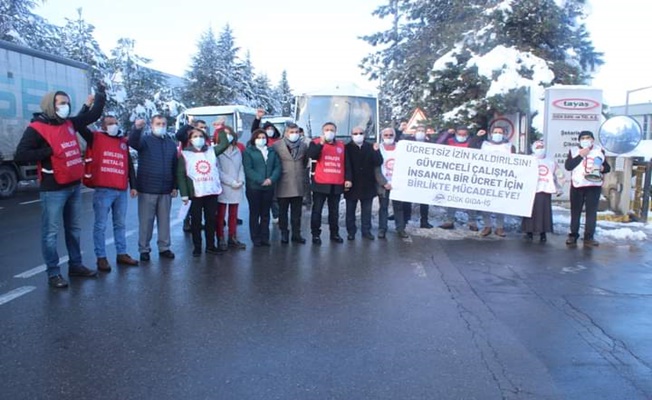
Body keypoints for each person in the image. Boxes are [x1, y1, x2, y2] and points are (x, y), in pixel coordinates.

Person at [14, 82, 106, 288]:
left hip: (73, 185)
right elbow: (21, 154)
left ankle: (76, 265)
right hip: (53, 188)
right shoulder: (36, 128)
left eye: (67, 103)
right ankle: (53, 272)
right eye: (61, 103)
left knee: (73, 229)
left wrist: (101, 93)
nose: (66, 106)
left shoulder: (69, 123)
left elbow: (91, 116)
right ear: (50, 105)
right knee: (51, 233)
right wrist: (49, 151)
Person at [82, 115, 139, 272]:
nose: (113, 126)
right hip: (103, 189)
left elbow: (129, 165)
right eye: (109, 124)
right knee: (100, 225)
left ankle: (121, 253)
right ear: (103, 126)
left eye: (115, 123)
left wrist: (133, 185)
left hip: (121, 189)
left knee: (120, 224)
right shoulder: (95, 138)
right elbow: (80, 125)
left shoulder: (122, 141)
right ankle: (101, 257)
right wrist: (90, 107)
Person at [128, 115, 178, 262]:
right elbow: (132, 142)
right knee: (146, 222)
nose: (161, 126)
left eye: (163, 124)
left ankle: (164, 247)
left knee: (164, 221)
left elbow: (175, 165)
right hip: (147, 188)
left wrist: (175, 186)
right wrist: (137, 128)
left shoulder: (170, 144)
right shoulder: (145, 140)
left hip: (165, 189)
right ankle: (144, 249)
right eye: (158, 123)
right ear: (151, 125)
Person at [177, 127, 228, 257]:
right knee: (196, 221)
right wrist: (184, 194)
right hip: (195, 193)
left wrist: (220, 129)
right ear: (190, 140)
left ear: (205, 139)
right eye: (195, 136)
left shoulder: (211, 151)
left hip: (210, 190)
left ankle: (211, 245)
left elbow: (224, 144)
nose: (198, 138)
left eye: (200, 136)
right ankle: (197, 247)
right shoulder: (185, 154)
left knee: (211, 220)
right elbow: (181, 175)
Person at [564, 130, 611, 247]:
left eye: (588, 137)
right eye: (583, 138)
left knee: (591, 213)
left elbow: (607, 167)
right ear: (579, 140)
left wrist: (602, 168)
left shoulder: (599, 150)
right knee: (575, 212)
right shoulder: (574, 151)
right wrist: (581, 155)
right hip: (577, 185)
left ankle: (589, 237)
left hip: (593, 186)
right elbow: (568, 166)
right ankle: (573, 235)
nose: (585, 140)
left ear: (593, 140)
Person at [307, 122, 346, 245]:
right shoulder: (315, 142)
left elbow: (346, 163)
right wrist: (321, 143)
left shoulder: (341, 145)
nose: (329, 131)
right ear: (323, 131)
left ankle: (334, 233)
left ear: (336, 132)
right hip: (320, 183)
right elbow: (311, 155)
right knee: (317, 210)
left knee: (334, 212)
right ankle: (315, 235)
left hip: (336, 184)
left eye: (332, 130)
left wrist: (348, 179)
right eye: (327, 129)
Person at [438, 126, 482, 231]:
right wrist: (447, 133)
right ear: (456, 134)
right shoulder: (450, 141)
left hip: (468, 174)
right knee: (452, 197)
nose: (462, 136)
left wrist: (477, 137)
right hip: (453, 173)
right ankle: (449, 220)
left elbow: (477, 150)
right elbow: (438, 145)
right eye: (460, 134)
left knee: (470, 198)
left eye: (464, 134)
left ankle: (472, 222)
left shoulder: (471, 141)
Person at [243, 129, 281, 247]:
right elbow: (248, 169)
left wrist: (271, 179)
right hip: (254, 187)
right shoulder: (248, 152)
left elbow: (277, 167)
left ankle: (265, 237)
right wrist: (261, 180)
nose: (262, 139)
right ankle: (256, 238)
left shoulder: (271, 151)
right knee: (255, 213)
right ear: (254, 139)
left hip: (269, 187)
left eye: (263, 137)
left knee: (265, 213)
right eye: (259, 137)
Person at [344, 127, 383, 240]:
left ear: (364, 134)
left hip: (367, 185)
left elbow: (378, 162)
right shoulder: (347, 148)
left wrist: (376, 150)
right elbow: (345, 165)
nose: (358, 135)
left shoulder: (371, 146)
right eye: (355, 133)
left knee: (366, 211)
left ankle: (366, 231)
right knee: (350, 211)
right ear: (351, 135)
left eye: (361, 133)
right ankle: (351, 232)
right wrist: (347, 180)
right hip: (352, 184)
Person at [273, 123, 308, 244]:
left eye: (296, 132)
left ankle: (296, 234)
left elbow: (304, 162)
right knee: (283, 211)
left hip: (298, 182)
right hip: (283, 181)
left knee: (296, 212)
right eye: (292, 132)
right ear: (286, 133)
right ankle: (284, 232)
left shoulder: (303, 146)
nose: (294, 134)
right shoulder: (277, 145)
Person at [522, 140, 562, 242]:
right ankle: (529, 232)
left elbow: (558, 175)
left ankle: (543, 232)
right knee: (530, 212)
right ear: (533, 149)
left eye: (541, 147)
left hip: (545, 189)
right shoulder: (528, 160)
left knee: (544, 212)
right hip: (531, 190)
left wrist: (559, 188)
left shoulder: (551, 161)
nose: (540, 149)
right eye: (538, 147)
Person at [479, 126, 515, 237]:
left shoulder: (509, 146)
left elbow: (516, 162)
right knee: (485, 203)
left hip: (502, 178)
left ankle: (500, 228)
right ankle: (487, 226)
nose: (497, 134)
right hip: (486, 177)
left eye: (500, 132)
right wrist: (477, 137)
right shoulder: (484, 145)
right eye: (495, 132)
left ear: (504, 134)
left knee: (500, 204)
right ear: (491, 133)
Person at [216, 125, 246, 251]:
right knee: (220, 215)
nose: (227, 136)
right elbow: (218, 171)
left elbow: (240, 167)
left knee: (233, 214)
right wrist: (231, 182)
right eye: (225, 134)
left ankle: (232, 237)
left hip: (236, 186)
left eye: (230, 133)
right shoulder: (216, 151)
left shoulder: (237, 150)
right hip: (223, 186)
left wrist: (240, 180)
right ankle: (220, 238)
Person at [176, 118, 209, 232]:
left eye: (205, 128)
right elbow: (179, 135)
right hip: (189, 172)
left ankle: (200, 222)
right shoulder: (188, 138)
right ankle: (187, 221)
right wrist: (188, 125)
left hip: (203, 175)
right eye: (200, 127)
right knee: (190, 200)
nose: (203, 130)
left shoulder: (206, 141)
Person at [375, 127, 408, 239]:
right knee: (383, 207)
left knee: (398, 207)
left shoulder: (401, 147)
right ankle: (382, 229)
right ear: (382, 136)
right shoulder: (378, 148)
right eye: (386, 135)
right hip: (383, 184)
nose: (388, 137)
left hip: (397, 184)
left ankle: (400, 229)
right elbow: (376, 168)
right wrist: (383, 182)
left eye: (390, 135)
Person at [403, 125, 433, 228]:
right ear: (414, 132)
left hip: (424, 175)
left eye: (422, 131)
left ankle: (424, 221)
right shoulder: (408, 141)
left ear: (426, 132)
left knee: (424, 200)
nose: (420, 132)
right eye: (418, 130)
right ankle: (406, 218)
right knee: (407, 198)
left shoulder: (430, 143)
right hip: (410, 173)